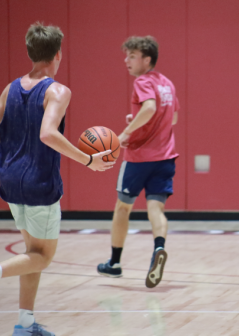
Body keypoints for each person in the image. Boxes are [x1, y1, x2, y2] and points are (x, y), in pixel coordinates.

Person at [0, 23, 113, 336]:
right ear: (58, 54)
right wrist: (88, 160)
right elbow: (48, 133)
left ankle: (25, 324)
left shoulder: (11, 87)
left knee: (31, 253)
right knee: (44, 257)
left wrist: (15, 154)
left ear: (31, 52)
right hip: (39, 183)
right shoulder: (57, 90)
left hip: (9, 179)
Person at [97, 36, 180, 289]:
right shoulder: (167, 83)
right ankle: (159, 249)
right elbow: (172, 118)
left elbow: (149, 109)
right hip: (166, 157)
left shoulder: (142, 82)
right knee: (156, 209)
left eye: (132, 56)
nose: (127, 60)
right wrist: (138, 118)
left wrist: (126, 132)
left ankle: (114, 263)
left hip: (139, 159)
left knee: (123, 208)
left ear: (147, 59)